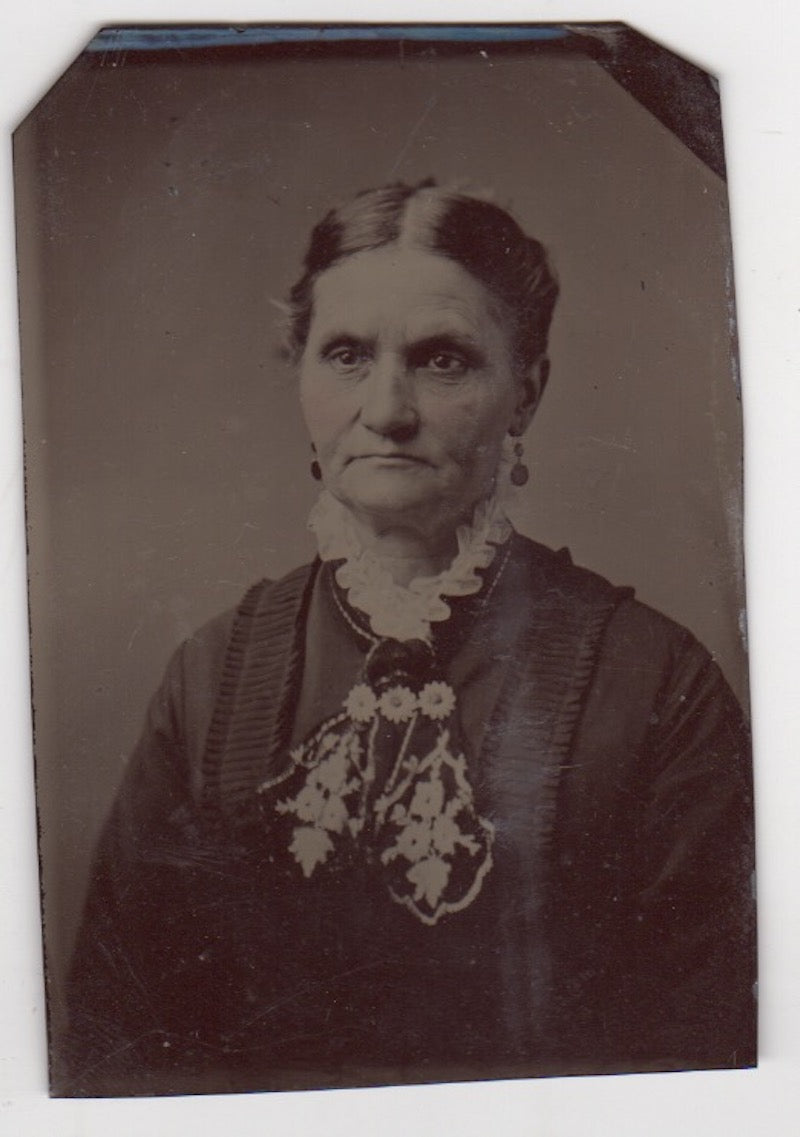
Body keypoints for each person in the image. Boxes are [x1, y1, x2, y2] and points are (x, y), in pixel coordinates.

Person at [61, 181, 756, 1097]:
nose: (386, 409)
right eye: (346, 354)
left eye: (442, 360)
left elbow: (710, 1058)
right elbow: (118, 1034)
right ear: (300, 372)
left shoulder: (659, 684)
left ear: (527, 391)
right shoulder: (211, 678)